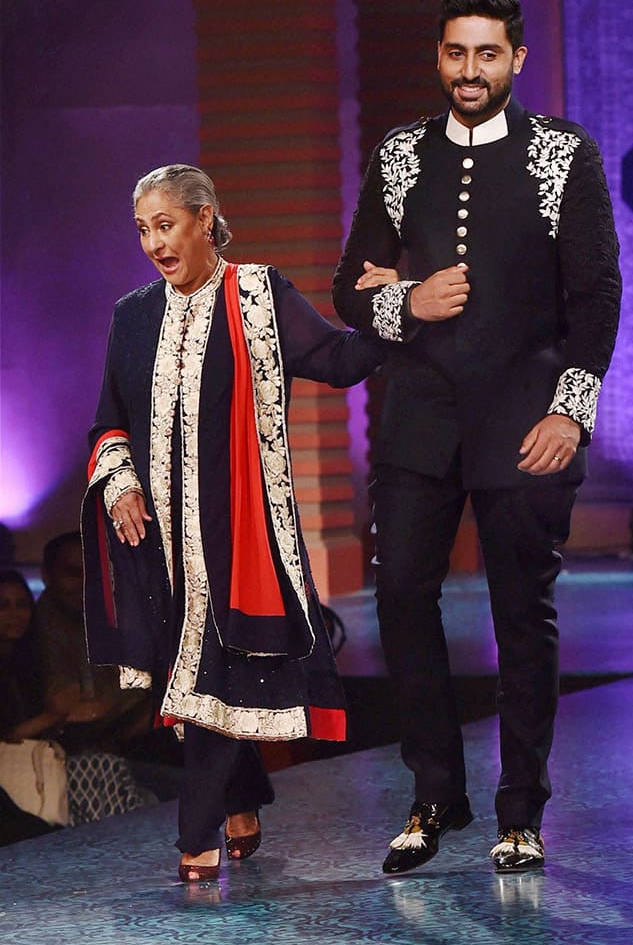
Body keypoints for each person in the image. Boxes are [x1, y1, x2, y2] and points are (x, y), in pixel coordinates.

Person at [332, 0, 621, 875]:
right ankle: (434, 795)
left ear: (516, 60)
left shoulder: (561, 154)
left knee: (519, 614)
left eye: (486, 54)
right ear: (438, 58)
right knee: (402, 601)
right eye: (455, 53)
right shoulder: (400, 154)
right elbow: (350, 287)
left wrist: (570, 413)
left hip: (524, 420)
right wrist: (402, 299)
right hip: (420, 418)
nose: (469, 70)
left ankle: (520, 810)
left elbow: (595, 295)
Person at [81, 164, 386, 882]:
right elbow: (108, 421)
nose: (155, 243)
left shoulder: (257, 294)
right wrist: (121, 485)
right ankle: (242, 797)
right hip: (160, 540)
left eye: (167, 225)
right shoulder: (133, 315)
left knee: (210, 672)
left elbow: (339, 361)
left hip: (238, 533)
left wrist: (386, 310)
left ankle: (196, 832)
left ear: (204, 218)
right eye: (144, 231)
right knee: (189, 681)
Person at [0, 569, 148, 839]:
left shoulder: (30, 661)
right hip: (11, 776)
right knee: (98, 768)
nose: (14, 614)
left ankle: (117, 850)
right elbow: (8, 734)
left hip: (49, 758)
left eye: (21, 605)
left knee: (105, 767)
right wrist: (54, 714)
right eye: (4, 606)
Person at [35, 531, 153, 752]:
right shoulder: (30, 630)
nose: (85, 583)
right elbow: (72, 708)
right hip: (50, 757)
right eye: (73, 573)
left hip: (113, 748)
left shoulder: (108, 620)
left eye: (93, 572)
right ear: (47, 575)